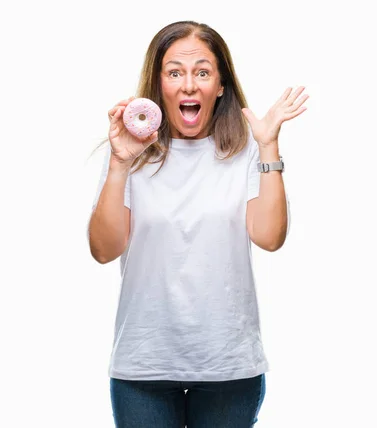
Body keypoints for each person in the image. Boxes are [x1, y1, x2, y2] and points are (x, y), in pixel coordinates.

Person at [87, 20, 308, 427]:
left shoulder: (246, 151)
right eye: (175, 72)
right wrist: (119, 164)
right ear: (159, 86)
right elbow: (104, 250)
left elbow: (269, 237)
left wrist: (268, 146)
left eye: (202, 72)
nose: (189, 85)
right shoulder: (130, 152)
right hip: (144, 366)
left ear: (220, 85)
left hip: (229, 367)